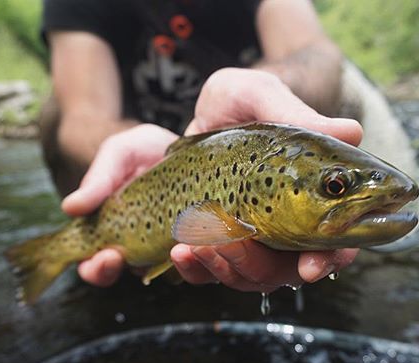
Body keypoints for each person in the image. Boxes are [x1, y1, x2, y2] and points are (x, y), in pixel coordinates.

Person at [40, 0, 365, 293]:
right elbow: (82, 112)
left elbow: (311, 50)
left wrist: (274, 92)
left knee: (347, 94)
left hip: (257, 132)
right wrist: (139, 160)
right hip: (150, 151)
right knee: (53, 116)